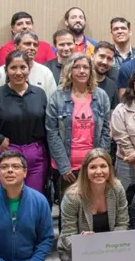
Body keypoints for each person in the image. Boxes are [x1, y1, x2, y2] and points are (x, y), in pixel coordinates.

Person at [57, 148, 129, 261]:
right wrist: (83, 243)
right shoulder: (72, 197)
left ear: (110, 168)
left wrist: (107, 247)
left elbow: (123, 223)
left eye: (103, 166)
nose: (99, 171)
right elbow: (67, 236)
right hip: (81, 252)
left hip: (110, 248)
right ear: (85, 171)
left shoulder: (117, 189)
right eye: (93, 167)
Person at [0, 51, 49, 193]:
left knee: (32, 200)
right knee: (1, 199)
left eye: (23, 67)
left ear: (29, 69)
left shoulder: (40, 94)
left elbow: (48, 128)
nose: (18, 72)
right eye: (13, 68)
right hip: (6, 153)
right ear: (6, 70)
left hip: (35, 157)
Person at [46, 53, 112, 196]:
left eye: (85, 67)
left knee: (93, 210)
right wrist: (64, 167)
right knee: (69, 213)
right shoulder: (57, 97)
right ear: (69, 70)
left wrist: (99, 161)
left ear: (91, 71)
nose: (82, 71)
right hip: (67, 168)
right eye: (77, 67)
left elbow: (106, 131)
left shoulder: (101, 96)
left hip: (93, 167)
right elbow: (52, 133)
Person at [0, 31, 57, 97]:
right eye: (27, 44)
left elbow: (53, 101)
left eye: (35, 45)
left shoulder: (45, 72)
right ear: (16, 46)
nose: (32, 48)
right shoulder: (0, 73)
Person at [92, 41, 119, 110]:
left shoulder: (112, 86)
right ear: (92, 56)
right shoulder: (81, 82)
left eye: (109, 59)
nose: (105, 62)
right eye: (102, 56)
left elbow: (112, 114)